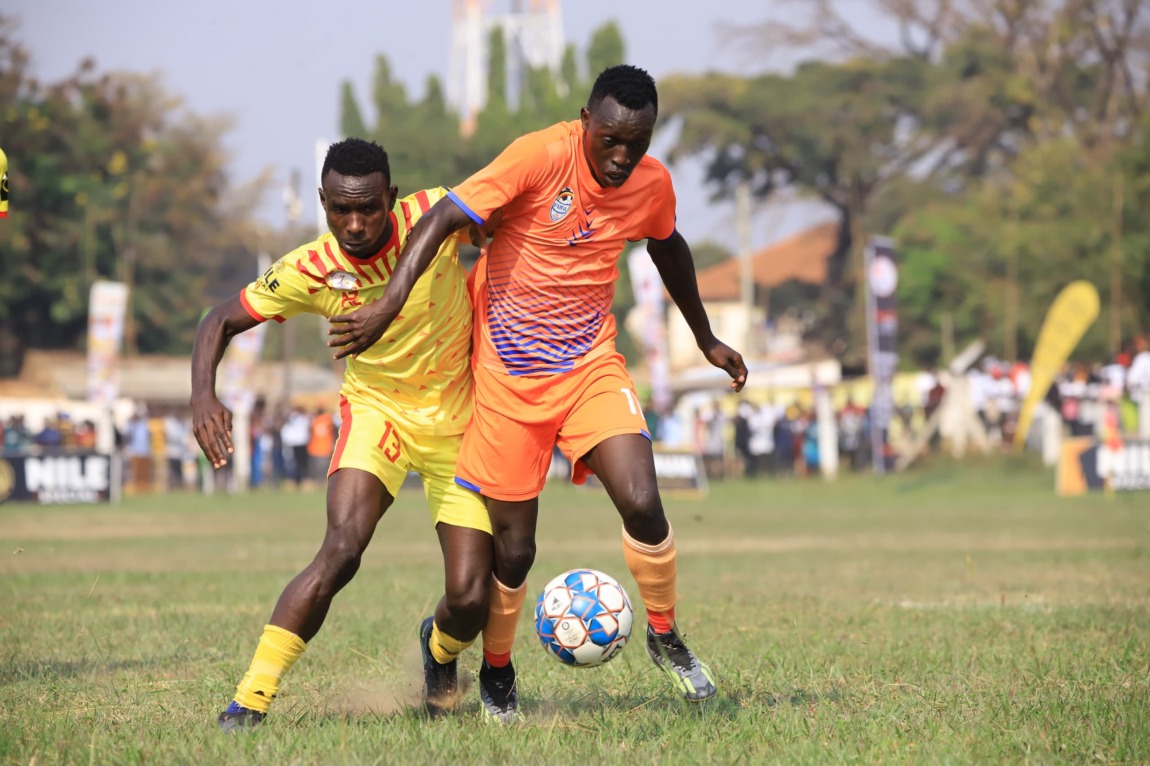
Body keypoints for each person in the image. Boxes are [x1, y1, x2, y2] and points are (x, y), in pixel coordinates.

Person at [327, 65, 748, 719]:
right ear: (585, 121)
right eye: (610, 139)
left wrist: (705, 337)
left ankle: (665, 635)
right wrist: (386, 306)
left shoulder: (651, 182)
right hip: (506, 381)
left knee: (643, 501)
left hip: (589, 366)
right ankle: (497, 670)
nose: (622, 156)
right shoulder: (538, 156)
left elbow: (668, 246)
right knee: (515, 552)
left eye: (636, 143)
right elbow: (441, 217)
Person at [191, 138, 496, 730]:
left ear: (392, 197)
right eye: (339, 210)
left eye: (368, 209)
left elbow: (505, 228)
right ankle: (249, 700)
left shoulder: (437, 213)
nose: (354, 225)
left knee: (468, 598)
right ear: (323, 202)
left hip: (457, 420)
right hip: (377, 414)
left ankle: (438, 650)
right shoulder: (308, 268)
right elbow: (220, 319)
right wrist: (204, 394)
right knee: (341, 549)